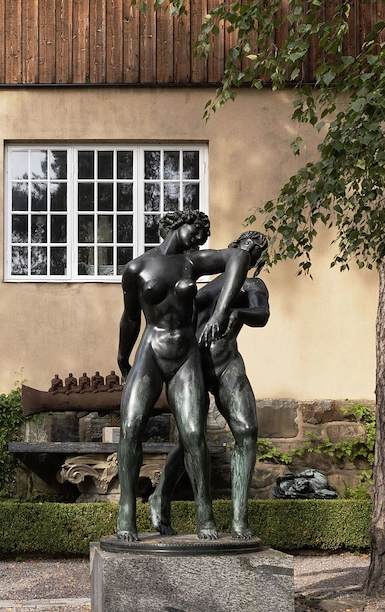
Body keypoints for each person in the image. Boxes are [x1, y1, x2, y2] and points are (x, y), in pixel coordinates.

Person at [116, 210, 252, 541]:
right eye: (196, 229)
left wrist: (220, 313)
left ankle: (205, 515)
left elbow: (238, 257)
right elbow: (131, 318)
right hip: (151, 350)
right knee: (131, 427)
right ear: (177, 224)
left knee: (193, 434)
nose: (199, 238)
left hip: (185, 355)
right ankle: (126, 513)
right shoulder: (137, 267)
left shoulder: (192, 263)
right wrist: (122, 357)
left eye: (204, 235)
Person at [150, 230, 271, 539]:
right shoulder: (201, 284)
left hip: (228, 363)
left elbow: (262, 315)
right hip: (192, 365)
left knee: (247, 431)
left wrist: (236, 311)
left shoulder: (252, 285)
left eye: (257, 252)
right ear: (233, 248)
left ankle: (240, 520)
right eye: (248, 246)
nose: (251, 253)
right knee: (190, 440)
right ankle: (160, 495)